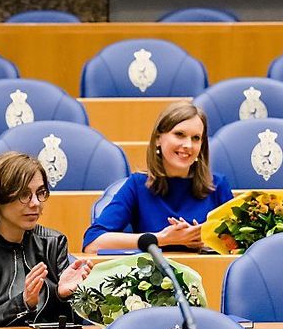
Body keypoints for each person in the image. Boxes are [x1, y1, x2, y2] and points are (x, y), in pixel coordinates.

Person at [0, 151, 93, 328]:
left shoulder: (54, 243)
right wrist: (23, 302)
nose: (35, 203)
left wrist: (61, 296)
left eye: (40, 193)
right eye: (24, 194)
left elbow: (69, 327)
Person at [82, 101, 233, 253]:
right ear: (158, 138)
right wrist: (161, 238)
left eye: (195, 138)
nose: (188, 145)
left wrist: (206, 241)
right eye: (179, 134)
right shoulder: (138, 185)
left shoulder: (218, 186)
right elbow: (93, 243)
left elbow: (241, 245)